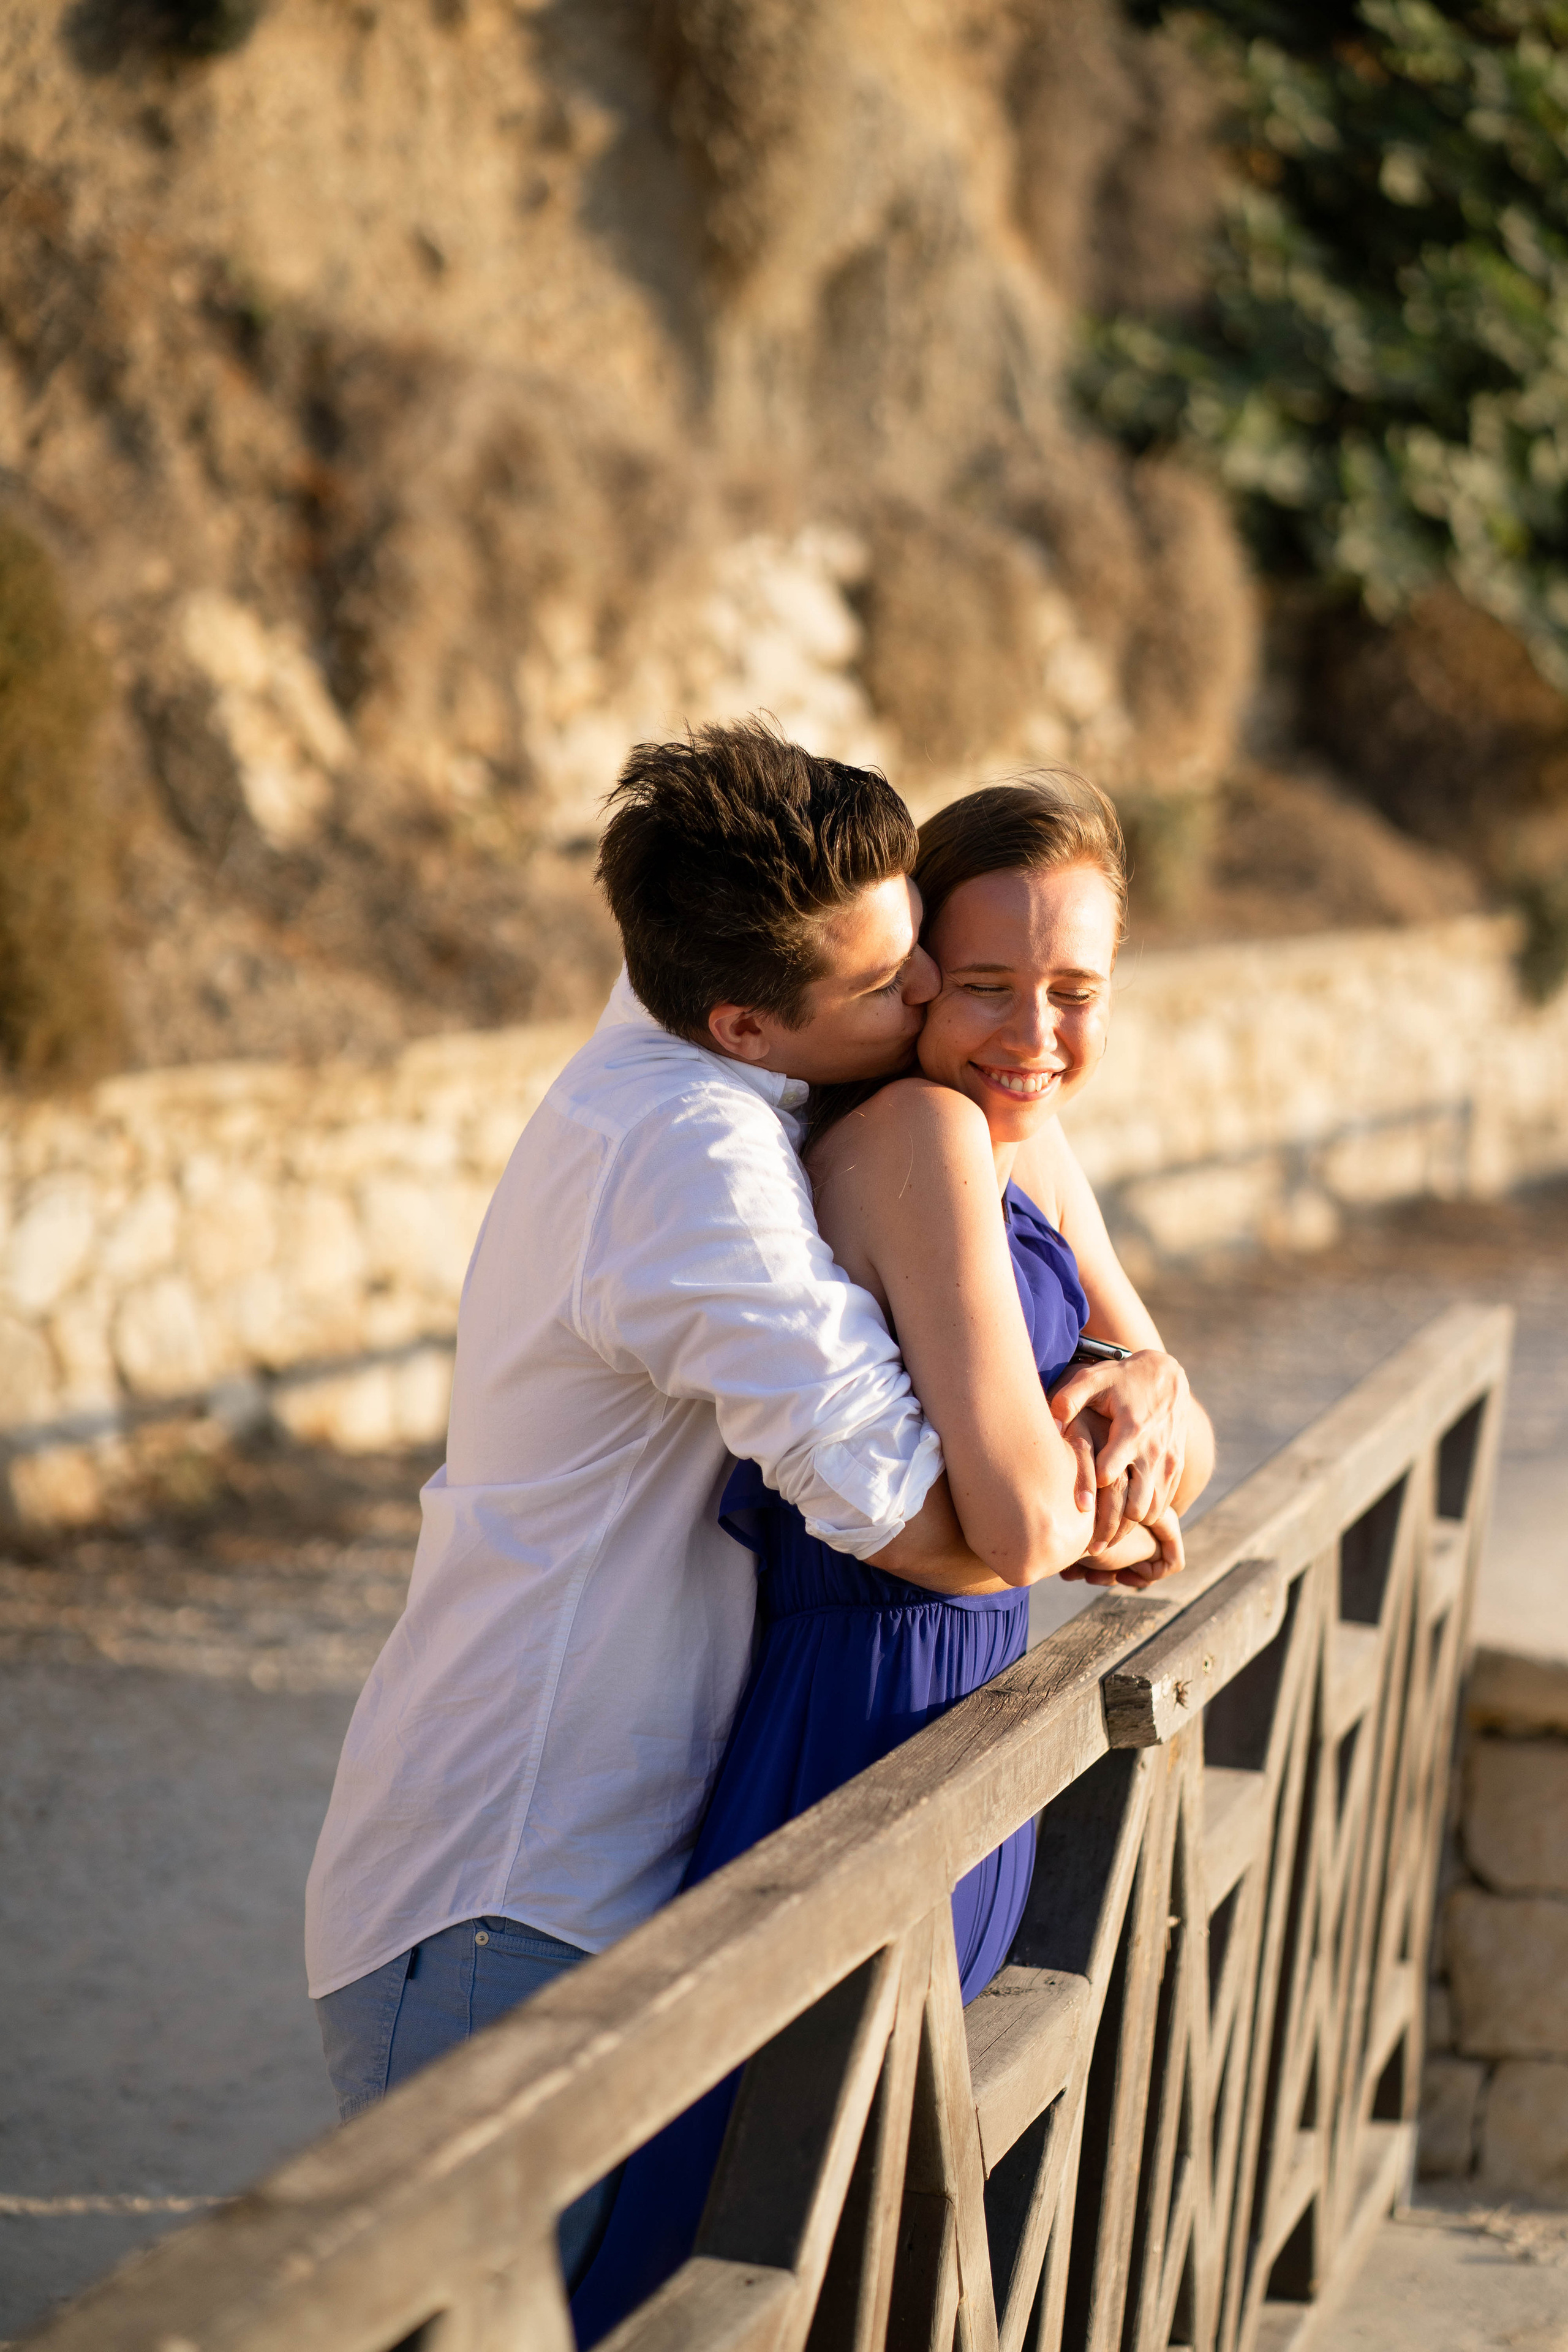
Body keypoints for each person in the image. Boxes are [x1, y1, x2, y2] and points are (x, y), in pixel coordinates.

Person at [304, 725, 1193, 2285]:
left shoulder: (747, 1040)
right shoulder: (683, 1152)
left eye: (922, 953)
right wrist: (1094, 1519)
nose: (931, 999)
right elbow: (922, 1516)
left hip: (655, 1850)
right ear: (747, 1027)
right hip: (514, 1895)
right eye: (898, 986)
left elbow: (1058, 1271)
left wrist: (1139, 1370)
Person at [570, 773, 1213, 2341]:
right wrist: (1093, 1496)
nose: (1033, 1034)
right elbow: (1018, 1522)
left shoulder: (1017, 1139)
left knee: (859, 2226)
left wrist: (1144, 1388)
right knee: (755, 2224)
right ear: (913, 967)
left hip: (954, 1717)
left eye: (1074, 991)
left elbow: (1174, 1434)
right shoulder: (921, 1132)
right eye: (982, 983)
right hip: (857, 1728)